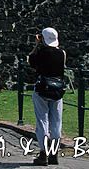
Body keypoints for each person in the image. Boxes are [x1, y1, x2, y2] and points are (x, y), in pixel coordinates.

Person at [28, 27, 66, 166]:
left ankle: (44, 153)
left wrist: (37, 45)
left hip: (42, 89)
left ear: (43, 39)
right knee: (56, 122)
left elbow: (31, 61)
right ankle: (54, 153)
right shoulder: (62, 53)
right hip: (57, 91)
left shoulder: (40, 53)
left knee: (42, 121)